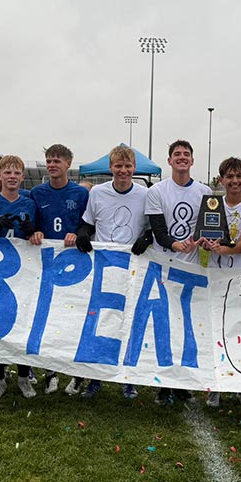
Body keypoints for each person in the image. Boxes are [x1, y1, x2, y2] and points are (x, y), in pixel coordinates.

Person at [75, 145, 152, 400]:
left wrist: (147, 238)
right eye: (118, 166)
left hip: (132, 268)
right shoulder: (98, 192)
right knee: (101, 321)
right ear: (111, 168)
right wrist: (83, 234)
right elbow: (87, 223)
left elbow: (153, 227)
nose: (123, 171)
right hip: (104, 267)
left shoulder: (144, 194)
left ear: (134, 168)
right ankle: (96, 378)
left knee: (129, 321)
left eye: (127, 166)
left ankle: (128, 380)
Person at [145, 139, 212, 405]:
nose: (182, 158)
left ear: (192, 161)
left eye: (186, 154)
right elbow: (158, 231)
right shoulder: (157, 191)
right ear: (169, 160)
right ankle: (162, 383)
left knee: (187, 326)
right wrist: (175, 243)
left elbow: (207, 227)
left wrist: (200, 241)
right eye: (177, 154)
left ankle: (184, 382)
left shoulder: (205, 191)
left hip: (192, 267)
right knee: (163, 325)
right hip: (163, 266)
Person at [200, 157, 241, 411]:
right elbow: (204, 236)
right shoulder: (211, 205)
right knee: (216, 332)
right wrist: (206, 244)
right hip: (216, 276)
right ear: (221, 180)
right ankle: (215, 387)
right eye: (230, 177)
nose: (235, 181)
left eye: (239, 177)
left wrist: (221, 249)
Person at [0, 154, 40, 402]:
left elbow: (38, 238)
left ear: (22, 177)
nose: (12, 177)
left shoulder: (28, 203)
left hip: (23, 273)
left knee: (22, 323)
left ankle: (24, 376)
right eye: (7, 172)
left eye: (17, 173)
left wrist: (31, 233)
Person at [29, 144, 89, 395]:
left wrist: (78, 234)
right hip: (45, 264)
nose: (52, 165)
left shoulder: (80, 194)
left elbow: (88, 225)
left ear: (68, 164)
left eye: (57, 161)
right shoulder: (36, 192)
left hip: (76, 265)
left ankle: (76, 375)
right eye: (48, 161)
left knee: (75, 319)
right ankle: (50, 373)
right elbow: (30, 225)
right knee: (47, 318)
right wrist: (34, 231)